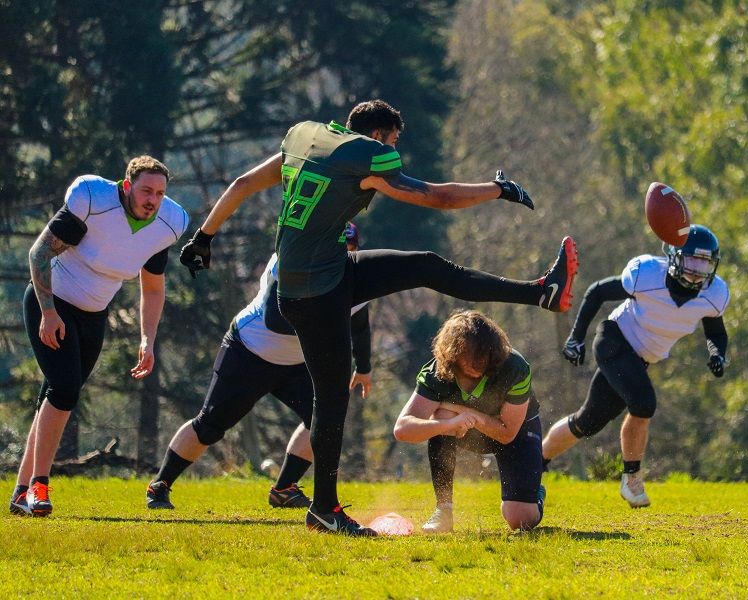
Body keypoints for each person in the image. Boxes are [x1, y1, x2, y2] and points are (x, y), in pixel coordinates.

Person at [179, 99, 578, 535]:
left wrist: (203, 238)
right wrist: (497, 189)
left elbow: (242, 183)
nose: (394, 154)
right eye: (393, 143)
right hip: (317, 292)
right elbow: (437, 197)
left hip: (323, 273)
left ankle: (541, 292)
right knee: (331, 400)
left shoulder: (304, 137)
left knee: (426, 265)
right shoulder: (367, 154)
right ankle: (325, 510)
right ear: (379, 137)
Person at [146, 224, 373, 510]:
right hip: (249, 351)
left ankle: (284, 488)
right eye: (335, 248)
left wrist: (364, 366)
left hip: (297, 362)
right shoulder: (291, 260)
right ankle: (159, 485)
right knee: (210, 427)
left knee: (324, 419)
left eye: (348, 251)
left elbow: (360, 323)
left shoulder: (352, 275)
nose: (340, 256)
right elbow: (275, 321)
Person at [9, 156, 189, 517]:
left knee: (57, 395)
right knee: (63, 391)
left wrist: (146, 339)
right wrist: (48, 312)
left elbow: (152, 288)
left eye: (159, 192)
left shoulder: (169, 222)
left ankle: (20, 492)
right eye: (145, 191)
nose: (152, 200)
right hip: (52, 302)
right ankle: (38, 487)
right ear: (126, 187)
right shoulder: (93, 199)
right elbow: (39, 252)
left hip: (94, 315)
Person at [541, 225, 730, 508]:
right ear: (676, 257)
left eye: (704, 263)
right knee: (643, 403)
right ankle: (631, 479)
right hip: (614, 340)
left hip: (639, 359)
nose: (697, 270)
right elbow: (597, 292)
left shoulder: (712, 294)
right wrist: (576, 337)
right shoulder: (648, 274)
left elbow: (716, 332)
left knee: (587, 421)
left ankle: (534, 460)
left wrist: (717, 353)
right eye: (692, 261)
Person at [394, 310, 545, 532]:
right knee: (441, 417)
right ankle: (444, 510)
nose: (478, 360)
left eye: (484, 353)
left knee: (520, 520)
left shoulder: (514, 367)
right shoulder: (437, 373)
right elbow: (402, 429)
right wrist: (448, 424)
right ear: (453, 353)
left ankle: (535, 495)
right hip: (469, 432)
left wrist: (464, 413)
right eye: (469, 353)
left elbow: (507, 434)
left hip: (516, 432)